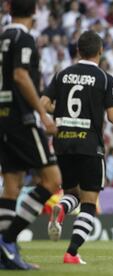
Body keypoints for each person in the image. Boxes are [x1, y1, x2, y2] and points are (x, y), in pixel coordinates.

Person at [40, 30, 113, 264]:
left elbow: (44, 104)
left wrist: (62, 113)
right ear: (101, 51)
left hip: (63, 144)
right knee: (88, 202)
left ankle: (61, 209)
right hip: (90, 146)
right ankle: (72, 252)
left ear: (77, 50)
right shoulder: (105, 79)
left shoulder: (61, 75)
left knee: (71, 193)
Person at [0, 0, 62, 270]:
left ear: (9, 9)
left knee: (12, 184)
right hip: (21, 118)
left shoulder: (3, 37)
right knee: (51, 180)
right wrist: (43, 114)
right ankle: (7, 240)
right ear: (35, 12)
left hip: (3, 117)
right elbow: (20, 75)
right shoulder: (23, 37)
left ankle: (5, 256)